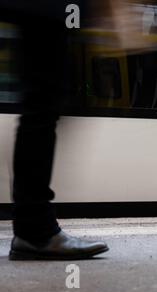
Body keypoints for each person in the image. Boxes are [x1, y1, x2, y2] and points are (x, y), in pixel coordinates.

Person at [0, 1, 109, 260]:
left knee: (42, 104)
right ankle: (35, 230)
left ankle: (34, 227)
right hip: (47, 8)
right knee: (44, 104)